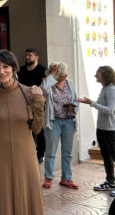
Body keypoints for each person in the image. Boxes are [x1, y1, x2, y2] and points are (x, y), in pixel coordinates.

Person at [0, 50, 45, 215]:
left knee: (26, 194)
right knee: (1, 195)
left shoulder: (29, 93)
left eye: (6, 67)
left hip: (25, 154)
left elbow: (36, 128)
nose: (2, 71)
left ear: (13, 68)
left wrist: (39, 103)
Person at [79, 66, 115, 197]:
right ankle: (110, 182)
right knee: (106, 156)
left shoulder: (112, 90)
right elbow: (100, 105)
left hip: (112, 129)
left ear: (105, 75)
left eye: (98, 73)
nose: (96, 75)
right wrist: (87, 102)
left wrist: (92, 103)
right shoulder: (104, 88)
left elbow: (110, 110)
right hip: (102, 128)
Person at [40, 62, 79, 190]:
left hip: (68, 121)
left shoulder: (69, 83)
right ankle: (48, 178)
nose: (65, 75)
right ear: (55, 74)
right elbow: (42, 89)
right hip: (54, 121)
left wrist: (72, 109)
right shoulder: (49, 85)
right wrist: (51, 74)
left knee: (67, 153)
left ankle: (66, 178)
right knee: (51, 152)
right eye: (62, 73)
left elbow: (74, 99)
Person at [17, 48, 47, 162]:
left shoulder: (42, 70)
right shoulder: (21, 70)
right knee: (25, 127)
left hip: (37, 104)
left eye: (30, 55)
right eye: (26, 55)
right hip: (23, 103)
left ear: (36, 57)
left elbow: (45, 87)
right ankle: (27, 151)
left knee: (38, 128)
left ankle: (40, 154)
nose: (27, 57)